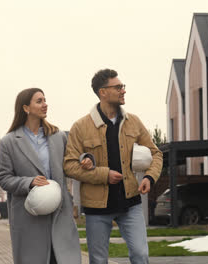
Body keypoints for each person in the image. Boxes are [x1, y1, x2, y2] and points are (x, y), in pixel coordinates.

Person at [63, 69, 163, 264]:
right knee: (99, 260)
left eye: (122, 86)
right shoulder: (80, 126)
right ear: (103, 92)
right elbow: (69, 165)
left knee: (141, 255)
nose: (123, 91)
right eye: (118, 87)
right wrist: (103, 174)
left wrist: (149, 177)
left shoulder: (133, 122)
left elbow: (156, 153)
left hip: (131, 203)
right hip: (97, 208)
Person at [0, 88, 91, 264]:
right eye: (39, 101)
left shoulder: (58, 136)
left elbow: (75, 155)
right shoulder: (9, 141)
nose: (45, 104)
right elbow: (3, 177)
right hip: (29, 216)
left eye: (45, 100)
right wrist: (29, 182)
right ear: (26, 108)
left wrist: (84, 159)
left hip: (59, 213)